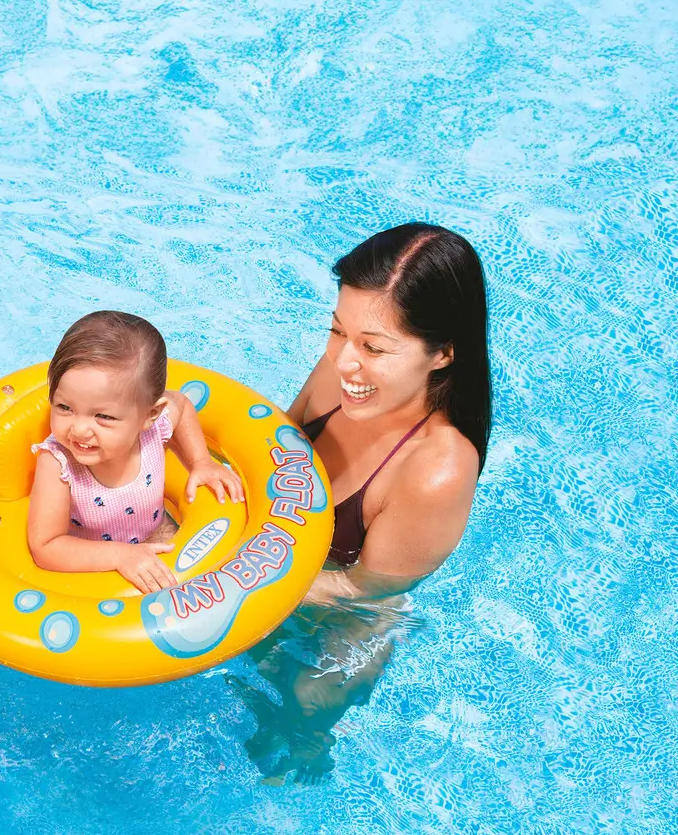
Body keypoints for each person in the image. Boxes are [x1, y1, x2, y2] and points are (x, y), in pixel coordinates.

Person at [238, 223, 492, 783]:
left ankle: (309, 757)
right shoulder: (345, 373)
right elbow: (269, 461)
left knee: (302, 705)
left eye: (374, 347)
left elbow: (362, 592)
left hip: (346, 614)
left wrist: (228, 569)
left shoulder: (436, 470)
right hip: (273, 564)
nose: (344, 361)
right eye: (338, 331)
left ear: (443, 353)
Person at [27, 310, 243, 594]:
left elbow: (181, 404)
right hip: (96, 569)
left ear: (149, 415)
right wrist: (120, 555)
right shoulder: (57, 462)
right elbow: (46, 546)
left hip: (158, 533)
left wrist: (201, 461)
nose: (78, 429)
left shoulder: (155, 428)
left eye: (103, 416)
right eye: (64, 407)